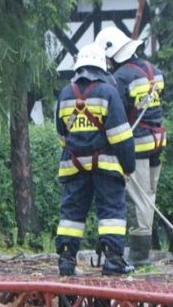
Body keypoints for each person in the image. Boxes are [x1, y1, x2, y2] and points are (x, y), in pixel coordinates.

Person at [54, 42, 136, 276]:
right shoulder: (108, 92)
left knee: (71, 213)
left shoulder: (65, 94)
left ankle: (66, 260)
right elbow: (121, 136)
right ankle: (113, 261)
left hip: (74, 166)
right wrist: (128, 166)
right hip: (105, 166)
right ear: (101, 67)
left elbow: (62, 135)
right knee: (111, 211)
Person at [95, 26, 166, 267]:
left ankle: (139, 255)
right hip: (157, 142)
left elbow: (116, 112)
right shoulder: (154, 71)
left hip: (138, 145)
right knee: (149, 196)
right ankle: (141, 251)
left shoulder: (121, 77)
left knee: (140, 199)